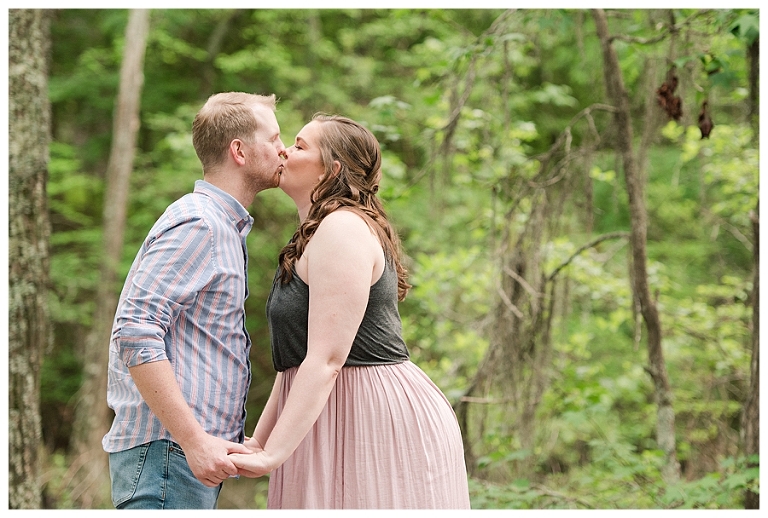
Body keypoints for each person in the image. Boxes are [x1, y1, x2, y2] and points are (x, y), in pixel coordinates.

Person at [229, 114, 471, 509]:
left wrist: (272, 455)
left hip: (370, 417)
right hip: (329, 414)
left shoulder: (342, 229)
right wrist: (260, 441)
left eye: (300, 145)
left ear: (332, 170)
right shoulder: (314, 235)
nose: (285, 151)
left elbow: (327, 358)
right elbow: (295, 362)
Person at [102, 92, 287, 509]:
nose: (283, 148)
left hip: (177, 457)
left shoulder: (221, 225)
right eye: (274, 138)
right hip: (167, 457)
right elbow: (135, 331)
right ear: (239, 151)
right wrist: (194, 440)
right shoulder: (201, 224)